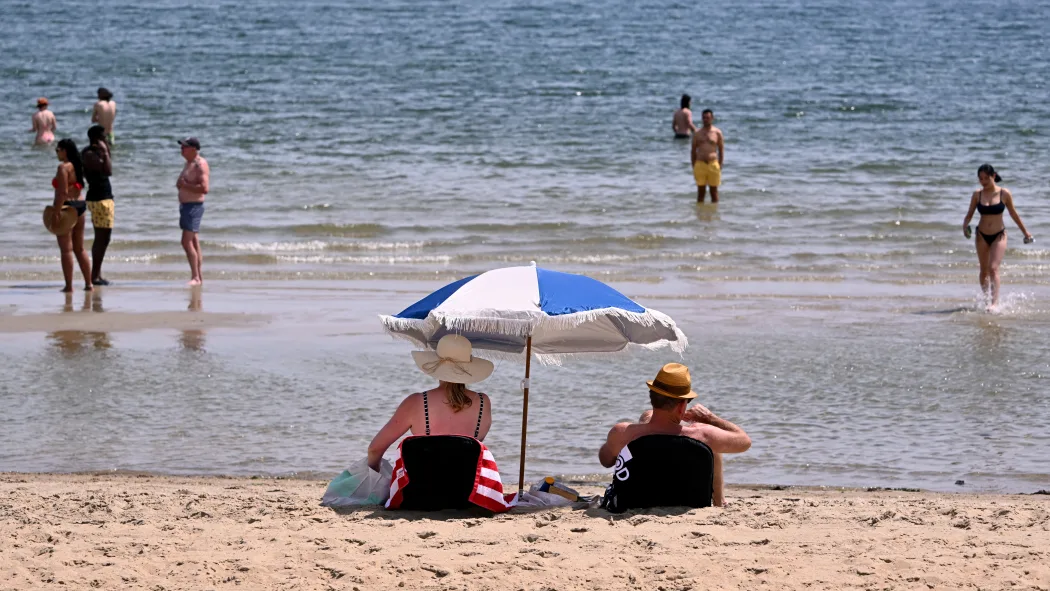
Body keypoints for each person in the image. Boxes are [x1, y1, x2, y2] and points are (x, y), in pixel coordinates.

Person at [598, 363, 750, 507]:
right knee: (713, 445)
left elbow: (605, 461)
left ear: (652, 397)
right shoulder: (703, 435)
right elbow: (745, 441)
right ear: (682, 406)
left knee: (646, 417)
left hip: (635, 503)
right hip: (687, 503)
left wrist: (641, 433)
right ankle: (719, 501)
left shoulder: (622, 433)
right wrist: (710, 418)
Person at [367, 334, 494, 472]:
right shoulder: (483, 402)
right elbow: (468, 448)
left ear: (437, 363)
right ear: (469, 367)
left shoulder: (416, 402)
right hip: (468, 484)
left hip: (422, 484)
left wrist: (375, 473)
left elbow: (375, 449)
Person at [962, 164, 1034, 309]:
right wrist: (965, 226)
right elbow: (969, 214)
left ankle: (994, 303)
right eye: (980, 179)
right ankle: (986, 300)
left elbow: (1013, 214)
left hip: (999, 235)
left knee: (993, 268)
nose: (983, 182)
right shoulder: (977, 194)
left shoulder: (1004, 193)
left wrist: (1025, 232)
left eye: (986, 178)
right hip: (981, 235)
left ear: (993, 176)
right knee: (984, 270)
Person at [50, 139, 93, 293]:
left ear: (64, 151)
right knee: (79, 248)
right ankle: (89, 284)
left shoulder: (63, 168)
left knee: (66, 250)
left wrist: (56, 212)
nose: (56, 153)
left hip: (67, 207)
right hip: (80, 205)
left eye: (58, 150)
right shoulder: (77, 166)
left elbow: (62, 193)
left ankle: (69, 286)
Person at [82, 126, 114, 285]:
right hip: (99, 199)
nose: (106, 140)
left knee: (104, 238)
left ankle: (97, 274)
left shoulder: (97, 153)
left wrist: (105, 152)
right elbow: (108, 171)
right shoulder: (89, 154)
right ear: (96, 139)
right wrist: (106, 152)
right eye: (103, 137)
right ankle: (94, 276)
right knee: (102, 237)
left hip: (104, 198)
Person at [176, 137, 209, 285]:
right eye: (181, 146)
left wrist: (185, 185)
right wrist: (181, 185)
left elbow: (204, 188)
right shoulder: (188, 163)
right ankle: (198, 276)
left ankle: (195, 277)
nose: (182, 149)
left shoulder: (200, 165)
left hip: (194, 207)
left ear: (194, 149)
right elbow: (181, 183)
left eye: (185, 147)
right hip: (186, 206)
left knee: (186, 241)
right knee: (194, 242)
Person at [691, 109, 724, 203]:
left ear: (712, 118)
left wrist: (720, 164)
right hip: (700, 164)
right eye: (704, 118)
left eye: (707, 118)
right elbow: (693, 151)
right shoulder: (697, 133)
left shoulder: (717, 132)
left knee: (714, 192)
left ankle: (714, 211)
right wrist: (694, 165)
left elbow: (721, 149)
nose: (705, 120)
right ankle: (700, 212)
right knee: (700, 193)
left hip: (713, 164)